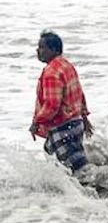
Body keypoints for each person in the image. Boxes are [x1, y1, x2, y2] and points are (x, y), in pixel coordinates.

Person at [30, 30, 93, 174]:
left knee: (77, 171)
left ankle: (97, 191)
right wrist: (84, 117)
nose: (38, 50)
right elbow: (79, 93)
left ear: (54, 50)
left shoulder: (51, 73)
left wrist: (36, 121)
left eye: (42, 47)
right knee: (56, 158)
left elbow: (52, 105)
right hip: (75, 123)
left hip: (63, 127)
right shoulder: (66, 66)